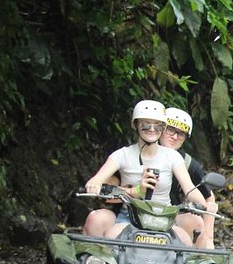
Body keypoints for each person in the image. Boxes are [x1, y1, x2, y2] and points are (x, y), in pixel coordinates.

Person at [83, 100, 208, 245]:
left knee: (185, 242)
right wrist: (134, 190)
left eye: (158, 125)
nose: (152, 129)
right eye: (146, 124)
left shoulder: (172, 156)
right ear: (135, 125)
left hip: (164, 217)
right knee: (113, 236)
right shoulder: (122, 155)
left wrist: (205, 204)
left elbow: (189, 188)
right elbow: (95, 181)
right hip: (130, 217)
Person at [160, 107, 218, 249]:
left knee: (195, 223)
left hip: (173, 214)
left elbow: (208, 197)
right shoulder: (139, 153)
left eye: (181, 134)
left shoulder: (189, 164)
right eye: (170, 130)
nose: (174, 137)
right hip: (137, 212)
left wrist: (209, 236)